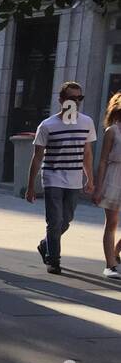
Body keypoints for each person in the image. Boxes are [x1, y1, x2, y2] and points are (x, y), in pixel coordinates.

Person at [27, 80, 96, 275]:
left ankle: (44, 245)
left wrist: (90, 179)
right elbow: (37, 156)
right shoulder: (47, 125)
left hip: (74, 180)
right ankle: (53, 260)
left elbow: (87, 153)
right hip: (53, 178)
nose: (76, 101)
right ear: (61, 100)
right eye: (71, 98)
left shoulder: (86, 122)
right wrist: (31, 186)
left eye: (79, 98)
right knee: (55, 221)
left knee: (66, 220)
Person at [93, 92, 121, 278]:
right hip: (114, 177)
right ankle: (110, 265)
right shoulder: (112, 131)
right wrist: (98, 187)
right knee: (111, 223)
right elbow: (102, 160)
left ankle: (116, 251)